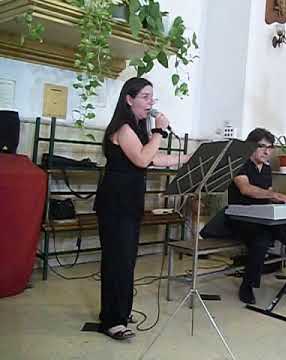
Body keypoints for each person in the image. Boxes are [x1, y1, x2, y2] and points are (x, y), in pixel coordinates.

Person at [94, 77, 189, 340]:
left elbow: (155, 157)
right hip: (114, 203)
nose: (151, 102)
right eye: (146, 97)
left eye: (152, 97)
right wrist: (159, 132)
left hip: (130, 201)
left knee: (127, 260)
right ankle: (111, 320)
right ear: (129, 99)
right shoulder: (122, 128)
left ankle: (120, 311)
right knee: (117, 261)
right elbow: (142, 159)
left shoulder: (138, 128)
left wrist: (187, 159)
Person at [228, 128, 286, 304]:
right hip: (241, 219)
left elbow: (267, 193)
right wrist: (274, 195)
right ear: (250, 146)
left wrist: (285, 200)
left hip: (264, 217)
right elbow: (246, 189)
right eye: (261, 146)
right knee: (261, 239)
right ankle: (247, 285)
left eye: (270, 147)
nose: (266, 151)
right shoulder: (240, 164)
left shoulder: (267, 169)